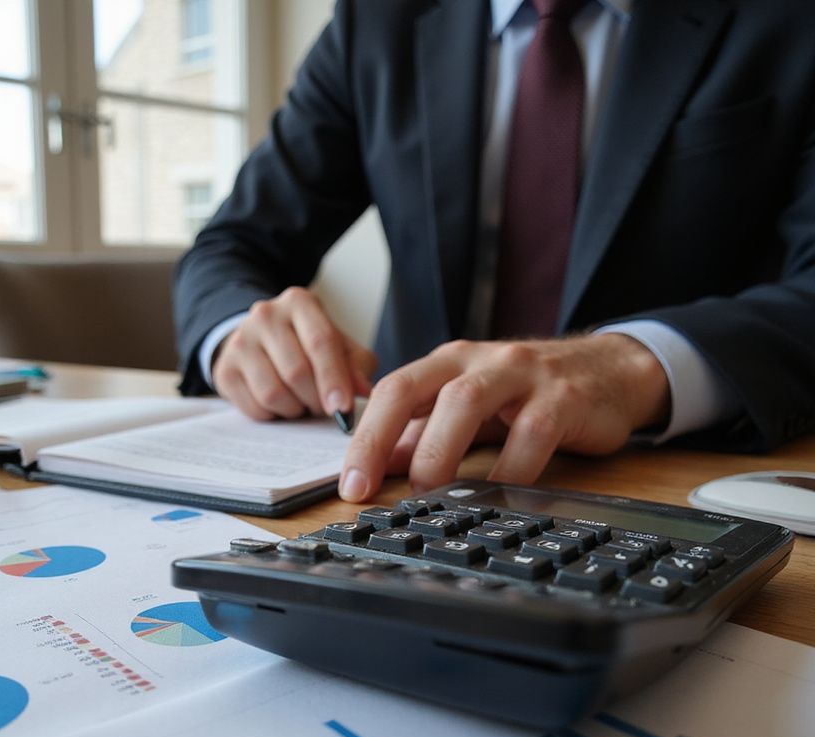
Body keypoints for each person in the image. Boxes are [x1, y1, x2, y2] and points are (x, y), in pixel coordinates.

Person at [173, 0, 815, 503]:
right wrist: (237, 331)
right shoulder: (376, 20)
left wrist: (631, 365)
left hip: (671, 477)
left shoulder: (786, 19)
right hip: (396, 473)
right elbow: (233, 245)